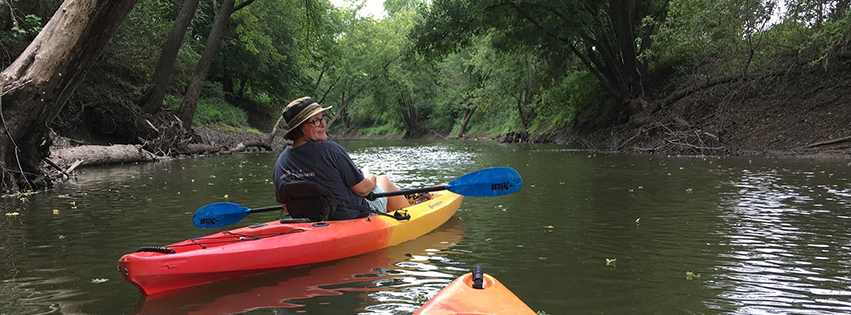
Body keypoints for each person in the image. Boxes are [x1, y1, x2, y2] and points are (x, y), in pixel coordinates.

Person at [273, 96, 409, 220]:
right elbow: (363, 189)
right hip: (356, 215)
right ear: (299, 128)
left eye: (322, 118)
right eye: (315, 121)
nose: (323, 124)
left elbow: (285, 205)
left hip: (313, 221)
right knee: (383, 180)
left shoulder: (281, 163)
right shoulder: (331, 150)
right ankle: (412, 216)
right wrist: (372, 180)